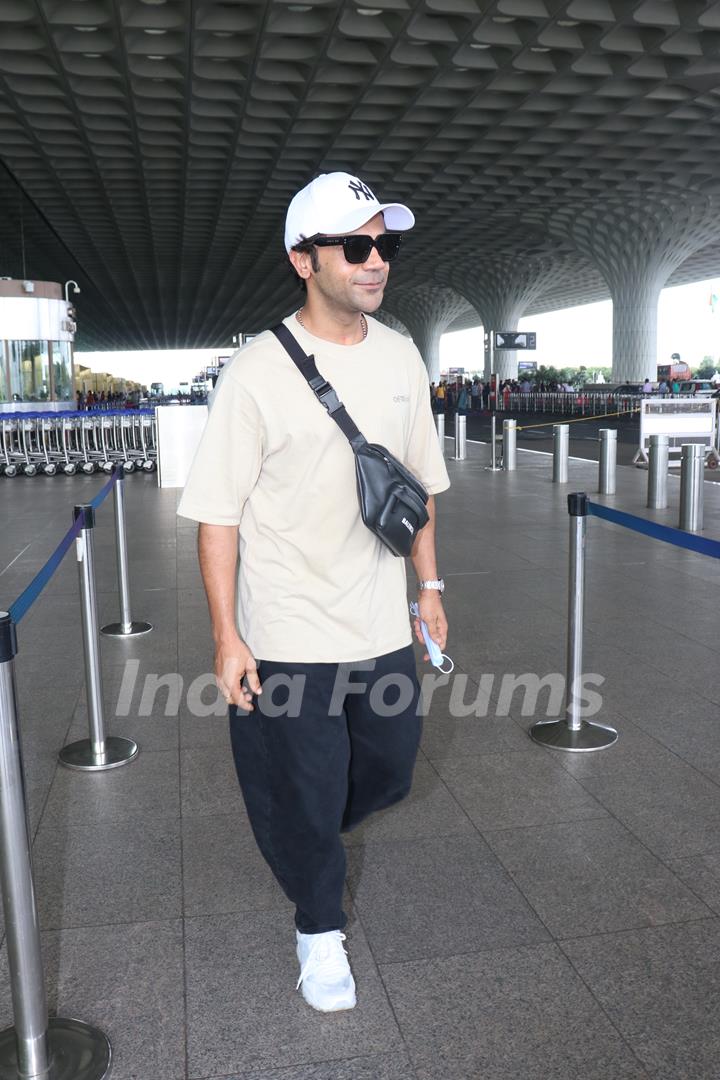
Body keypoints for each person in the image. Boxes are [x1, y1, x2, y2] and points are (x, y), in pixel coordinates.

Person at [178, 172, 450, 1014]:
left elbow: (418, 490)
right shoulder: (256, 375)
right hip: (288, 627)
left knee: (390, 768)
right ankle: (318, 927)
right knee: (304, 786)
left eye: (386, 246)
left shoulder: (402, 356)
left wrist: (429, 589)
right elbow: (217, 518)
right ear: (304, 259)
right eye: (357, 247)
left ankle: (308, 836)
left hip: (378, 623)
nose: (377, 264)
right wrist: (228, 637)